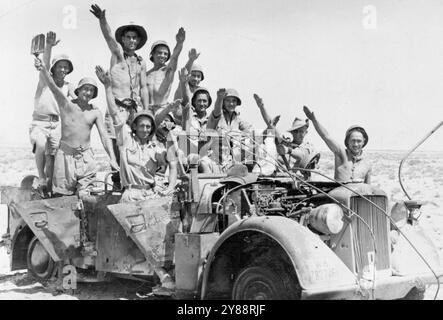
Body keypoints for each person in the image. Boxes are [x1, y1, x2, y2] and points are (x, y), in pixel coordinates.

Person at [96, 66, 178, 291]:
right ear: (134, 127)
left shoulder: (156, 146)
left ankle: (168, 272)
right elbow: (114, 113)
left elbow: (172, 163)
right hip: (131, 195)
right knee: (144, 236)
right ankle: (164, 277)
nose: (144, 129)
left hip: (151, 194)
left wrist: (170, 186)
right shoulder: (125, 141)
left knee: (168, 233)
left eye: (148, 126)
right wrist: (107, 87)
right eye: (141, 125)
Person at [34, 57, 118, 196]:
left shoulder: (95, 112)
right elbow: (53, 87)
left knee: (86, 198)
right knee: (62, 198)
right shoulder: (66, 104)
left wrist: (112, 159)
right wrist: (43, 68)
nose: (88, 92)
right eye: (85, 89)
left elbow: (104, 136)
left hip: (86, 158)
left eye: (91, 90)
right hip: (65, 157)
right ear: (78, 90)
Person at [90, 4, 150, 189]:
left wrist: (146, 110)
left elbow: (144, 87)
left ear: (138, 40)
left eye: (134, 37)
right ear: (123, 39)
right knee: (116, 144)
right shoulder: (117, 54)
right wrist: (102, 20)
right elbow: (108, 37)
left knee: (136, 143)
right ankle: (117, 182)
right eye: (128, 37)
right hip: (117, 107)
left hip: (134, 109)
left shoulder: (141, 62)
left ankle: (134, 180)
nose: (131, 40)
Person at [30, 31, 76, 194]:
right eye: (60, 66)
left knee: (54, 158)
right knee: (41, 145)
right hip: (40, 122)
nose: (63, 69)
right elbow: (45, 63)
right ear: (54, 68)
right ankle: (41, 178)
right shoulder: (45, 79)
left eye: (66, 67)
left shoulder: (68, 86)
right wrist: (48, 46)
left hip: (58, 124)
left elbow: (77, 102)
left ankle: (50, 188)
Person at [253, 94, 318, 177]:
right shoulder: (285, 143)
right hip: (282, 181)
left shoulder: (309, 147)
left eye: (301, 131)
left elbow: (301, 155)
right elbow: (271, 126)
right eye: (295, 131)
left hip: (302, 184)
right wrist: (262, 107)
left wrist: (287, 150)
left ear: (306, 133)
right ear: (292, 132)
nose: (298, 134)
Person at [303, 106, 372, 184]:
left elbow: (368, 188)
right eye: (353, 141)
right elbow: (326, 136)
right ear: (347, 141)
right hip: (338, 194)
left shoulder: (367, 163)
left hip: (357, 195)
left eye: (359, 141)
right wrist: (314, 121)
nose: (356, 144)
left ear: (364, 142)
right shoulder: (341, 153)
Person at [146, 27, 185, 117]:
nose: (162, 56)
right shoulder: (146, 75)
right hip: (147, 111)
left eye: (165, 54)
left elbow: (175, 57)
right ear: (153, 54)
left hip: (162, 111)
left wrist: (179, 43)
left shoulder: (168, 71)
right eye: (159, 52)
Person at [172, 49, 203, 124]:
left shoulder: (200, 91)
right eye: (193, 75)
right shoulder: (183, 86)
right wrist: (191, 60)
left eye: (198, 76)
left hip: (194, 123)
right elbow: (185, 72)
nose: (196, 79)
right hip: (180, 122)